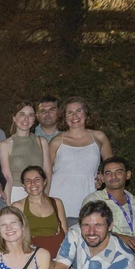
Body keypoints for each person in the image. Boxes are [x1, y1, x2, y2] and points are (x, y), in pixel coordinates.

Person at [49, 96, 113, 224]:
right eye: (70, 112)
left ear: (86, 113)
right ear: (64, 116)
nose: (75, 116)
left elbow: (112, 167)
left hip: (88, 196)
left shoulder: (99, 137)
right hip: (59, 197)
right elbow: (46, 173)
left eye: (79, 110)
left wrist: (101, 176)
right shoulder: (56, 141)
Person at [0, 101, 51, 204]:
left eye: (30, 115)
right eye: (22, 114)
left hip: (38, 192)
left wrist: (45, 196)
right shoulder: (5, 145)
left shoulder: (42, 142)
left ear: (34, 119)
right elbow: (7, 178)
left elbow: (47, 173)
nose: (26, 119)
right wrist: (8, 204)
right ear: (14, 118)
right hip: (16, 193)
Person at [12, 166, 68, 259]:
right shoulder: (18, 206)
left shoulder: (57, 203)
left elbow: (65, 233)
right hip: (33, 256)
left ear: (44, 182)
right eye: (28, 181)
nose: (33, 183)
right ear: (23, 185)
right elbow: (16, 238)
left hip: (59, 254)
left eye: (37, 179)